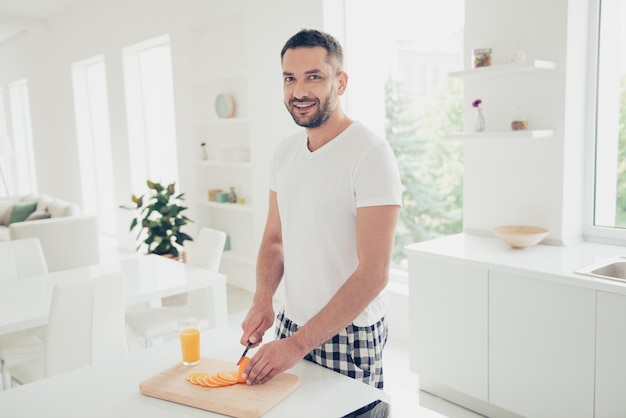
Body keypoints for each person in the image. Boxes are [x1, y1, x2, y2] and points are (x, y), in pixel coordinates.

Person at [239, 29, 402, 389]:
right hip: (290, 324)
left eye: (314, 77)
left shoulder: (371, 155)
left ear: (340, 82)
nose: (299, 92)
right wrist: (263, 300)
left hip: (349, 334)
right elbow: (275, 239)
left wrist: (297, 345)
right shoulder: (285, 152)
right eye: (289, 78)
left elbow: (374, 273)